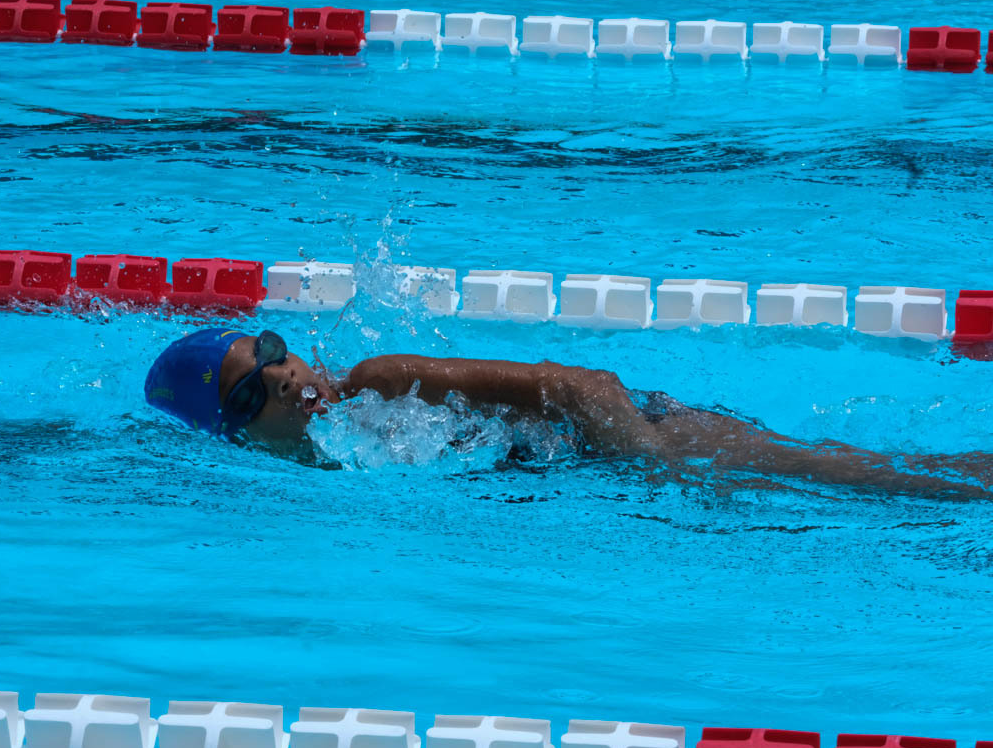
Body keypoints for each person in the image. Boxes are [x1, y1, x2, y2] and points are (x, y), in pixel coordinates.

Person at [144, 328, 991, 499]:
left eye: (271, 353)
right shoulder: (329, 459)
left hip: (636, 436)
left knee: (877, 482)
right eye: (250, 393)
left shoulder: (379, 381)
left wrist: (654, 464)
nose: (282, 380)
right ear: (237, 435)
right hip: (595, 467)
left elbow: (583, 385)